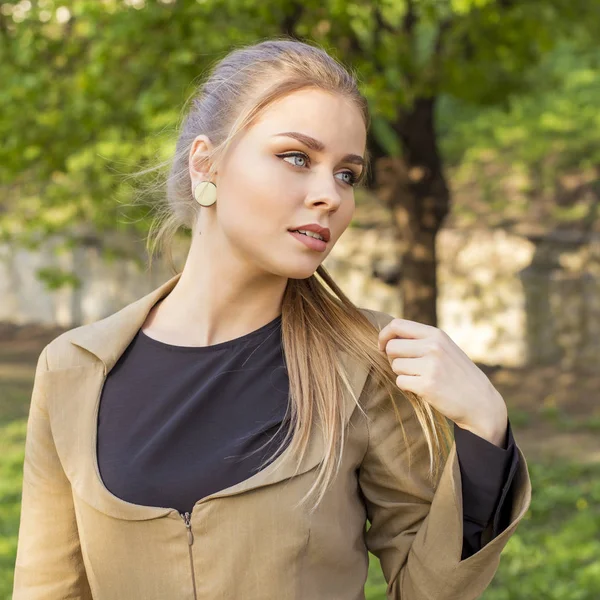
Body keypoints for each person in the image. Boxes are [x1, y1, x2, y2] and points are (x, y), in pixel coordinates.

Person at [13, 38, 531, 600]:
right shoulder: (72, 370)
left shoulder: (366, 364)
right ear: (206, 164)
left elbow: (429, 590)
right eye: (297, 158)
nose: (329, 195)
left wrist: (485, 429)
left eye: (347, 175)